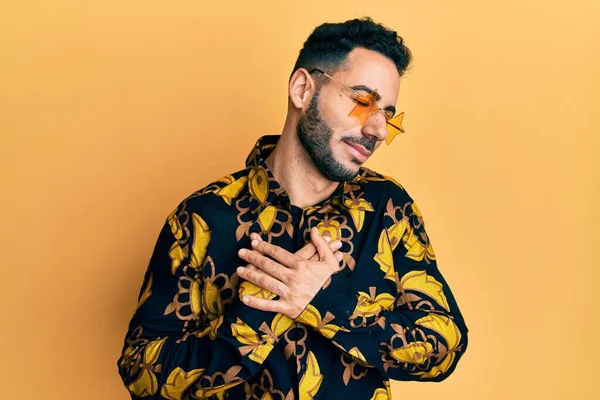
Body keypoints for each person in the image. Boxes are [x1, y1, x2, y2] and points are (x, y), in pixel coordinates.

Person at [117, 17, 468, 400]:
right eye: (363, 100)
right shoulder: (202, 217)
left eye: (387, 113)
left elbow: (444, 344)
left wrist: (322, 301)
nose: (378, 130)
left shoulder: (389, 209)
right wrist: (258, 313)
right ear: (303, 89)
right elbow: (141, 374)